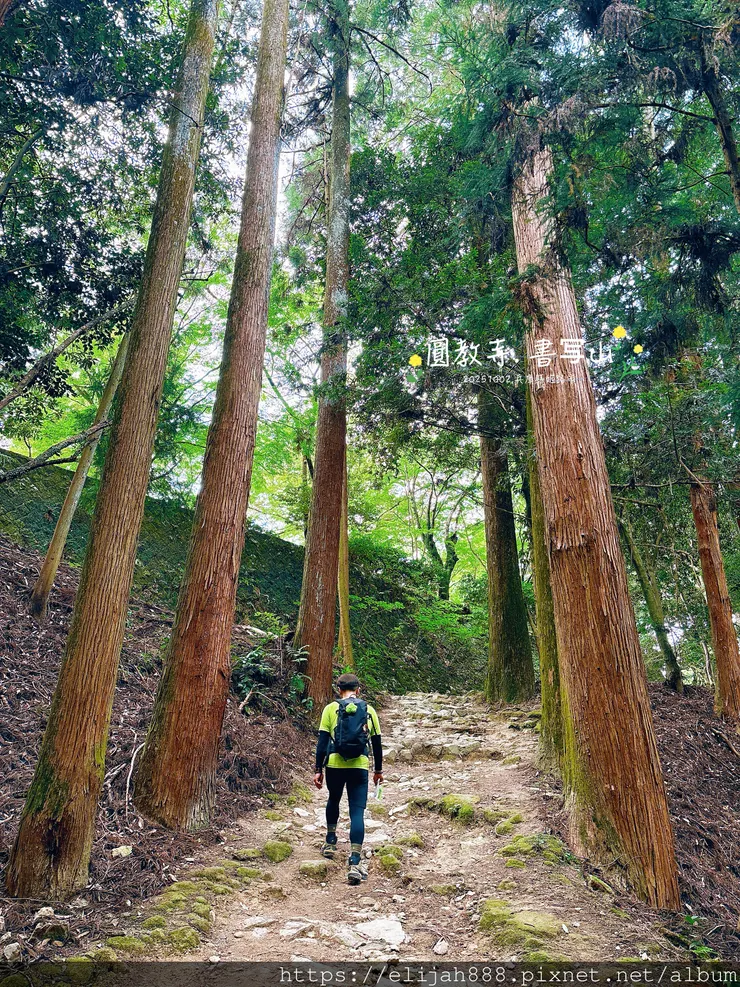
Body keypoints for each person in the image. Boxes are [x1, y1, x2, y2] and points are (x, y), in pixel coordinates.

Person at [313, 672, 383, 885]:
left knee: (333, 799)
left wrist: (318, 769)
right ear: (358, 690)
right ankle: (354, 861)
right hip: (359, 766)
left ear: (339, 690)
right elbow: (377, 743)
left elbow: (322, 742)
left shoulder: (330, 709)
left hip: (335, 764)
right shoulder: (369, 710)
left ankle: (330, 841)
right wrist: (378, 771)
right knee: (357, 811)